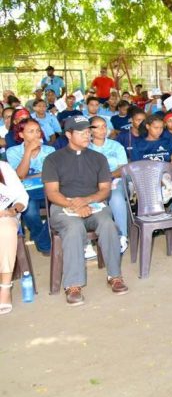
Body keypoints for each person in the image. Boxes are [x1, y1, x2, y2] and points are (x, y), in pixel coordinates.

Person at [42, 115, 128, 306]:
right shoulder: (53, 159)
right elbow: (52, 193)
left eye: (89, 131)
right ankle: (73, 284)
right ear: (68, 134)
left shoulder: (98, 158)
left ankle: (115, 275)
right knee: (73, 228)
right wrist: (74, 205)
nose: (87, 135)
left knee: (108, 224)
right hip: (63, 206)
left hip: (94, 205)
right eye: (81, 132)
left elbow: (105, 190)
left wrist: (86, 201)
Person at [6, 119, 53, 254]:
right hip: (25, 191)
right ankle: (45, 242)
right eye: (31, 131)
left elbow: (52, 174)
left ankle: (42, 241)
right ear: (21, 135)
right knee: (30, 211)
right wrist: (27, 152)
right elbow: (20, 176)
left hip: (47, 188)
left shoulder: (49, 150)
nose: (36, 135)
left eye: (38, 131)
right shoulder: (13, 152)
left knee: (58, 207)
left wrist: (33, 176)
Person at [131, 115, 172, 210]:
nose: (159, 131)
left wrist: (169, 168)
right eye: (156, 128)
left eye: (161, 128)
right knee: (153, 195)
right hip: (148, 177)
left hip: (167, 174)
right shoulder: (138, 144)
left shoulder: (166, 141)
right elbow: (137, 166)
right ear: (148, 126)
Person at [88, 116, 129, 253]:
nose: (102, 129)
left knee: (115, 196)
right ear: (90, 130)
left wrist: (107, 177)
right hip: (91, 183)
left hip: (115, 180)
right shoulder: (85, 147)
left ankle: (122, 236)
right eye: (97, 126)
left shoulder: (116, 146)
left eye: (104, 126)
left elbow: (123, 168)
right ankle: (86, 242)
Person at [0, 159, 28, 315]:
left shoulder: (3, 168)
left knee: (5, 229)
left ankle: (5, 288)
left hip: (5, 216)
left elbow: (22, 197)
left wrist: (14, 210)